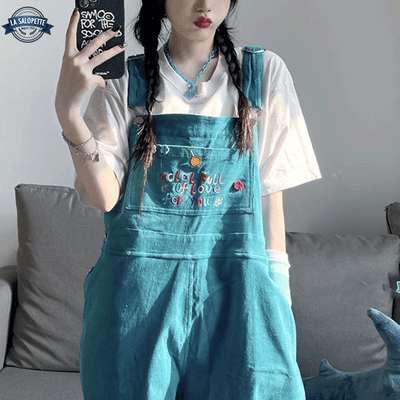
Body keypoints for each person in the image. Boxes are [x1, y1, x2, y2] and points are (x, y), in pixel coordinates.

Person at [55, 0, 321, 399]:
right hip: (137, 297)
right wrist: (68, 112)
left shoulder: (262, 73)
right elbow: (105, 197)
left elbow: (270, 202)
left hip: (240, 291)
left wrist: (277, 302)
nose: (204, 4)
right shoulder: (125, 82)